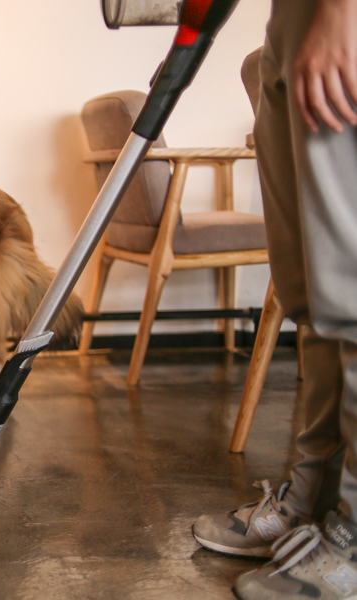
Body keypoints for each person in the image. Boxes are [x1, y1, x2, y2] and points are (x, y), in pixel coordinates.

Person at [191, 0, 357, 598]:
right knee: (309, 293)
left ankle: (355, 539)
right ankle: (313, 499)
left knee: (352, 293)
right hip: (288, 25)